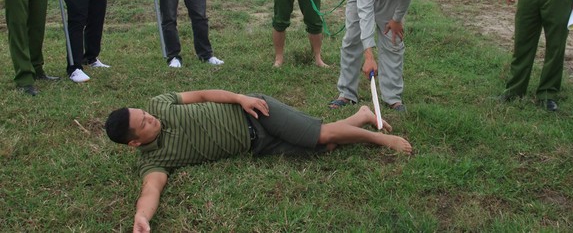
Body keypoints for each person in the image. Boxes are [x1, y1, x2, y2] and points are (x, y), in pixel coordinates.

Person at [105, 89, 412, 232]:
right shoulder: (153, 160)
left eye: (144, 113)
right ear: (134, 142)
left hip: (256, 112)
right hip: (258, 145)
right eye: (144, 123)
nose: (150, 117)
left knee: (321, 136)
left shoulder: (160, 103)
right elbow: (151, 190)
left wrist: (241, 98)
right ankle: (361, 116)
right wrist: (142, 217)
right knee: (328, 146)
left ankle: (380, 138)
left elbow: (201, 95)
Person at [329, 0, 419, 112]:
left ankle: (393, 98)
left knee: (393, 42)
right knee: (352, 41)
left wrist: (397, 19)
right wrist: (369, 56)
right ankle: (347, 94)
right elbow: (365, 12)